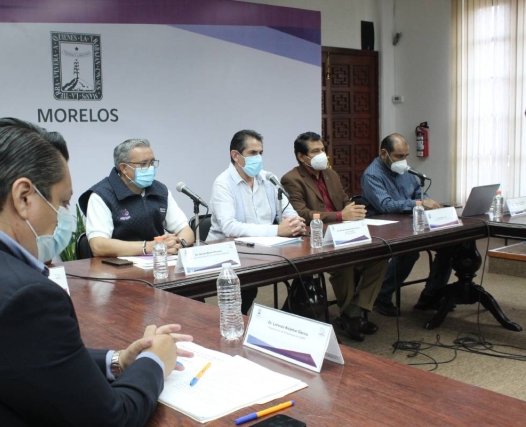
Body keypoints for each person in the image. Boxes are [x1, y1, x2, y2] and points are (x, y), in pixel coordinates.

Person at [0, 118, 193, 426]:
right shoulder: (22, 295)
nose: (63, 218)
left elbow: (25, 356)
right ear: (24, 197)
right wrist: (154, 361)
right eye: (62, 202)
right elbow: (111, 419)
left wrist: (117, 361)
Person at [281, 131, 388, 341]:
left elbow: (345, 200)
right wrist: (340, 215)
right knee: (345, 263)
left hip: (345, 233)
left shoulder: (331, 175)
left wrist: (353, 210)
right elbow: (302, 213)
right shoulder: (291, 179)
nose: (322, 154)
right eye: (315, 151)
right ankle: (352, 314)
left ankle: (353, 312)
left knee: (381, 255)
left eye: (322, 149)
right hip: (317, 239)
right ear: (301, 157)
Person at [207, 129, 306, 314]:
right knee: (247, 286)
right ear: (235, 155)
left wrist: (295, 223)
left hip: (264, 248)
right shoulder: (223, 183)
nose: (258, 158)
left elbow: (289, 212)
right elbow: (230, 228)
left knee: (306, 267)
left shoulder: (269, 179)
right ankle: (237, 319)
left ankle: (296, 316)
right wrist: (277, 230)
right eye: (253, 153)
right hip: (230, 252)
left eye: (261, 153)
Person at [361, 133, 454, 316]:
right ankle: (382, 295)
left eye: (405, 156)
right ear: (383, 154)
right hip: (384, 225)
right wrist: (417, 204)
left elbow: (418, 192)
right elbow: (385, 206)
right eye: (398, 156)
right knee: (409, 253)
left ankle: (431, 295)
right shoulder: (372, 175)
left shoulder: (405, 170)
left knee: (451, 244)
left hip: (410, 221)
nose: (403, 160)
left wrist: (426, 201)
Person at [79, 138, 195, 258]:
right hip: (118, 270)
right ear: (124, 168)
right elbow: (98, 246)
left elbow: (186, 231)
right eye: (143, 164)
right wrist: (148, 247)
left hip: (158, 264)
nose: (150, 168)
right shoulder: (102, 195)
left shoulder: (160, 190)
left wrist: (178, 243)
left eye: (152, 163)